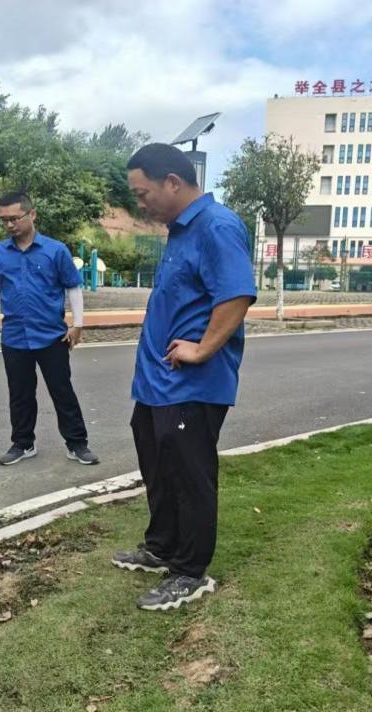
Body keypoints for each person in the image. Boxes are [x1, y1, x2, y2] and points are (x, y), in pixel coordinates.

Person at [110, 144, 256, 612]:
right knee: (158, 463)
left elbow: (236, 295)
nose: (140, 204)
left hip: (193, 383)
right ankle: (162, 546)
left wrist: (204, 348)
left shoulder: (217, 226)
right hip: (158, 382)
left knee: (190, 474)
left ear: (172, 182)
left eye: (142, 193)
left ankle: (191, 571)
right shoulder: (179, 230)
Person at [0, 192, 99, 467]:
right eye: (4, 220)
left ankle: (77, 443)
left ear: (32, 214)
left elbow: (73, 287)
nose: (9, 225)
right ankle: (23, 443)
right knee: (20, 394)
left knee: (62, 391)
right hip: (14, 336)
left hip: (52, 336)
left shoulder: (56, 250)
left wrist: (78, 325)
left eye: (14, 218)